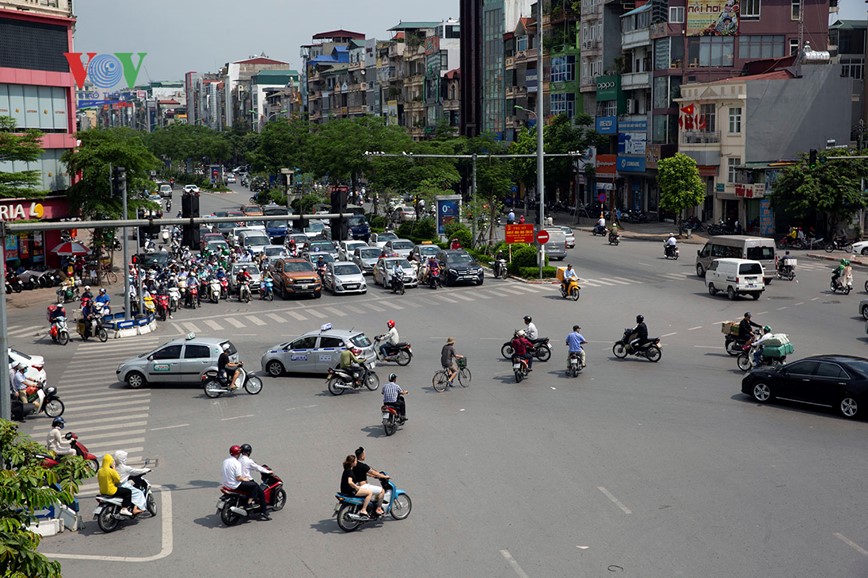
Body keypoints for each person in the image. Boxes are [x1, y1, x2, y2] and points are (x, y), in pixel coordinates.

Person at [222, 445, 270, 520]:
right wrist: (268, 471)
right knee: (258, 490)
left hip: (226, 484)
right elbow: (239, 477)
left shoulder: (226, 461)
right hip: (236, 484)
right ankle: (260, 510)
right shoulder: (239, 462)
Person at [352, 447, 389, 516]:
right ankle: (378, 509)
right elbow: (374, 473)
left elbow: (363, 473)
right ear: (362, 455)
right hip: (364, 486)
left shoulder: (355, 464)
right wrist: (385, 476)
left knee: (374, 491)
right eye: (364, 454)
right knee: (382, 491)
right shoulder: (363, 466)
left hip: (357, 485)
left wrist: (371, 476)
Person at [340, 454, 379, 519]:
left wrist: (370, 475)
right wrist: (356, 487)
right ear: (352, 463)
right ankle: (363, 510)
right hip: (350, 491)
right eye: (355, 461)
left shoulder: (347, 469)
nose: (356, 462)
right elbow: (350, 482)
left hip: (344, 490)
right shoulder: (350, 471)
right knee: (369, 493)